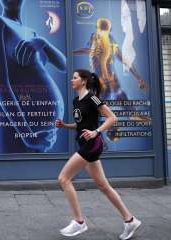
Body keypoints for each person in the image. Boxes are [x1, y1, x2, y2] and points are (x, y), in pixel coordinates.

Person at [55, 69, 141, 240]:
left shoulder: (93, 98)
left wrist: (96, 132)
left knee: (63, 179)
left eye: (75, 78)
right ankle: (130, 220)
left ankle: (79, 222)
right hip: (85, 144)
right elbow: (80, 125)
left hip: (92, 145)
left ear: (84, 81)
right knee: (103, 186)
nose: (72, 80)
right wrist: (65, 125)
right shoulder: (76, 101)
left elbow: (112, 118)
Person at [0, 0, 66, 153]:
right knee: (8, 175)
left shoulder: (32, 33)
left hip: (42, 134)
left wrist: (43, 42)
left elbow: (65, 65)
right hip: (14, 127)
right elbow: (1, 83)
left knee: (33, 176)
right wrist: (28, 136)